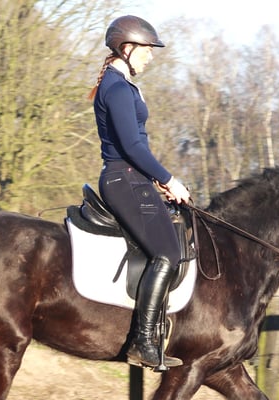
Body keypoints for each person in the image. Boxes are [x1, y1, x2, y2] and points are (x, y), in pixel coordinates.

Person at [88, 15, 191, 370]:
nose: (151, 56)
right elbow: (132, 146)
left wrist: (157, 180)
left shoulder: (122, 85)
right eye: (147, 50)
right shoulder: (116, 89)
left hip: (135, 179)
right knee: (167, 253)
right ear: (126, 48)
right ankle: (143, 342)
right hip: (124, 178)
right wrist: (169, 178)